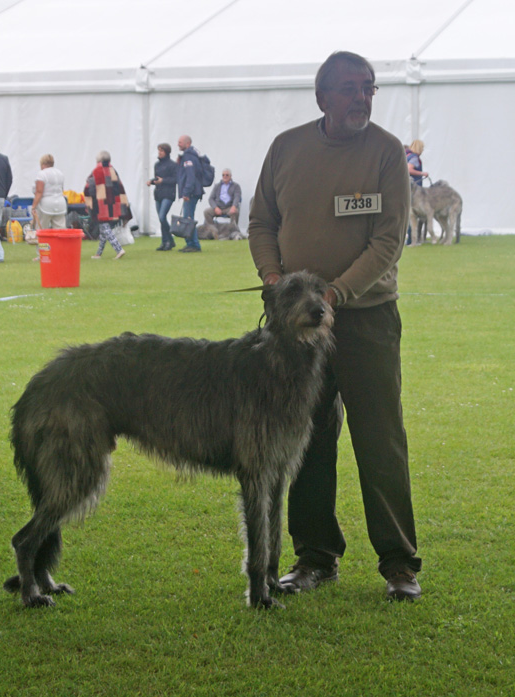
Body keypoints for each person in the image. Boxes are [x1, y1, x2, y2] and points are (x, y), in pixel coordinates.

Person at [248, 51, 422, 601]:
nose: (362, 97)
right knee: (307, 440)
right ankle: (315, 558)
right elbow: (262, 222)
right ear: (322, 96)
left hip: (365, 319)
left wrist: (335, 294)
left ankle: (399, 564)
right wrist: (275, 277)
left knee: (380, 440)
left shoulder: (387, 152)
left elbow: (389, 240)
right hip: (294, 328)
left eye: (369, 87)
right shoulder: (286, 148)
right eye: (349, 88)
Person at [84, 150, 131, 260]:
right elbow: (120, 187)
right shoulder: (113, 170)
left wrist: (89, 203)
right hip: (113, 204)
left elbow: (88, 188)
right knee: (103, 229)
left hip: (101, 204)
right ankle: (98, 253)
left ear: (98, 160)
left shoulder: (96, 171)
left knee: (105, 227)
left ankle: (119, 249)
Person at [146, 143, 177, 251]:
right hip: (159, 194)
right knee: (161, 219)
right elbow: (157, 179)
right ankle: (165, 242)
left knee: (162, 216)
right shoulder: (157, 165)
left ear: (166, 152)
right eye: (159, 150)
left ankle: (169, 240)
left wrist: (163, 181)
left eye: (161, 151)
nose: (159, 153)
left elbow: (175, 179)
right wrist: (152, 181)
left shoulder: (172, 165)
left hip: (168, 194)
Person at [176, 134, 203, 253]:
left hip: (191, 193)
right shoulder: (190, 156)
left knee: (188, 218)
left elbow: (190, 177)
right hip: (193, 191)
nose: (178, 144)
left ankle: (193, 244)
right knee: (189, 217)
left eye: (180, 142)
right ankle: (191, 243)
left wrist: (186, 192)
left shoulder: (189, 157)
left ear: (188, 144)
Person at [201, 169, 242, 239]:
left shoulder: (236, 186)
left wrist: (234, 206)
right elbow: (211, 199)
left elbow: (237, 197)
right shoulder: (217, 186)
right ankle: (213, 232)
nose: (225, 176)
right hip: (218, 207)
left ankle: (233, 232)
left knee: (235, 212)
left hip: (229, 207)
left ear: (230, 176)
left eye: (227, 175)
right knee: (207, 212)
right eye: (223, 175)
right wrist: (215, 208)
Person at [31, 154, 67, 230]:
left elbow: (39, 192)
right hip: (60, 204)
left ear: (43, 164)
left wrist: (34, 206)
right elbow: (62, 189)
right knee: (60, 230)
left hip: (46, 205)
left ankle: (43, 242)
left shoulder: (42, 174)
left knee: (42, 229)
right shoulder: (60, 173)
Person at [404, 140, 428, 245]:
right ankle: (413, 239)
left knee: (410, 214)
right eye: (422, 148)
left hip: (407, 190)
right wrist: (423, 173)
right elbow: (409, 169)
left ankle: (412, 239)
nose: (422, 151)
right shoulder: (414, 158)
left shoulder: (406, 155)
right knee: (414, 215)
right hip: (415, 191)